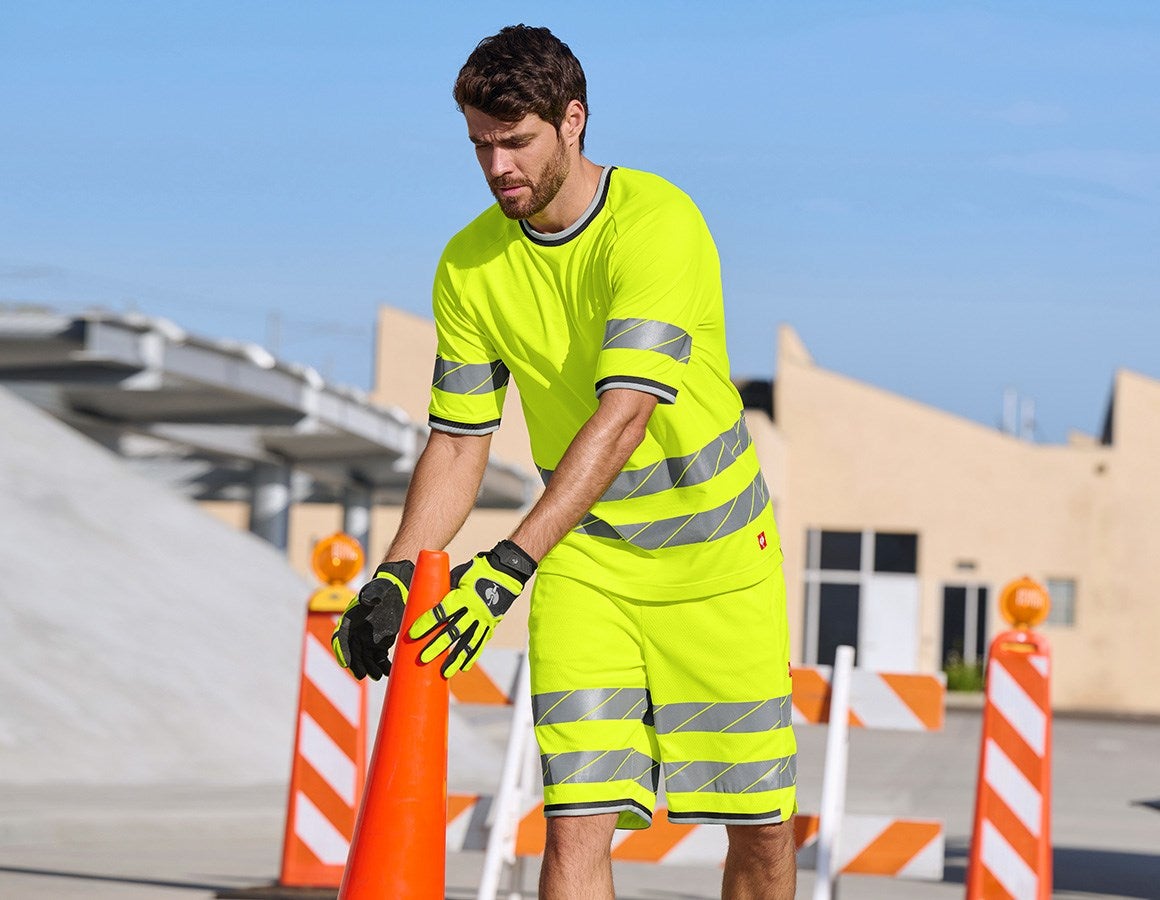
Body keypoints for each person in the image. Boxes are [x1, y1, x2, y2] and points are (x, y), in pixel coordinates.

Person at [332, 24, 797, 899]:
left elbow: (622, 418)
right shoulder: (469, 267)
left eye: (516, 141)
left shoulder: (658, 224)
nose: (496, 164)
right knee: (573, 830)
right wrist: (396, 573)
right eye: (480, 144)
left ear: (572, 121)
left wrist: (509, 562)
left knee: (761, 836)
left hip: (721, 566)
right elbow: (461, 439)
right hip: (586, 565)